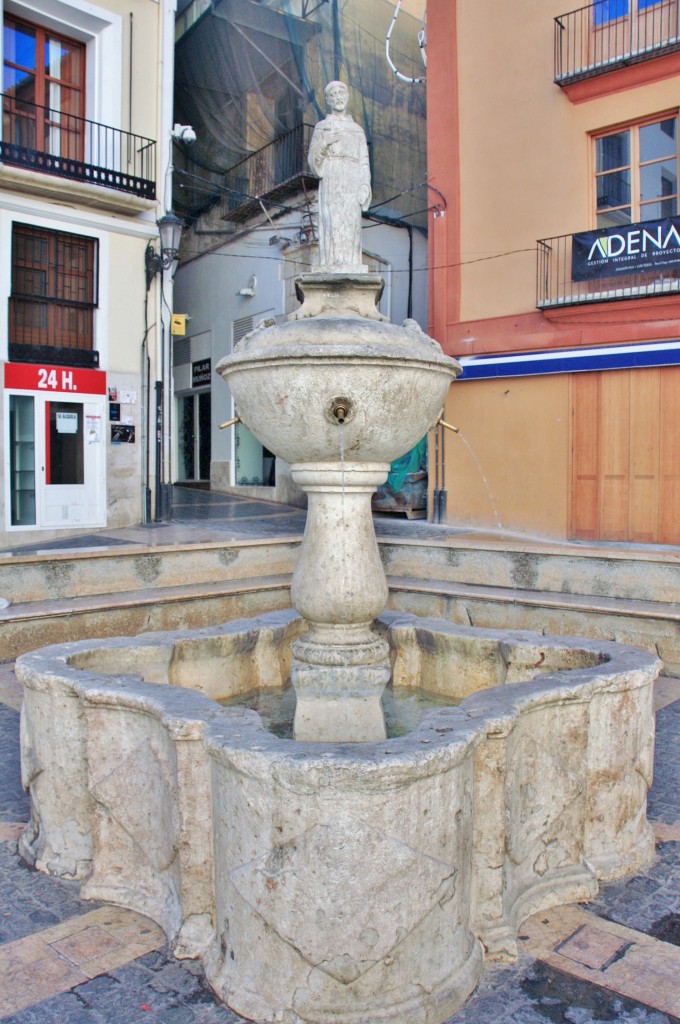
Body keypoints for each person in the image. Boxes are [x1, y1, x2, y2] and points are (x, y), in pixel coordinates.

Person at [308, 81, 371, 272]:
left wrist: (364, 186)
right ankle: (331, 263)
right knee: (332, 222)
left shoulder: (357, 130)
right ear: (327, 100)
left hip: (352, 180)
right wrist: (325, 143)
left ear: (347, 96)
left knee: (350, 223)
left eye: (341, 93)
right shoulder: (322, 127)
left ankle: (350, 263)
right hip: (332, 178)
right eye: (333, 94)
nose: (338, 97)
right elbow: (312, 160)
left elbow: (364, 162)